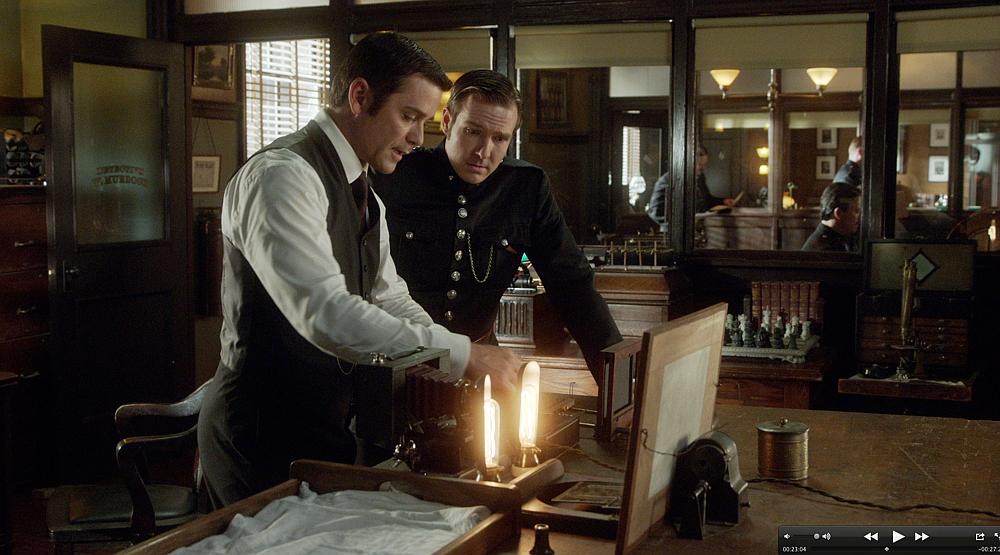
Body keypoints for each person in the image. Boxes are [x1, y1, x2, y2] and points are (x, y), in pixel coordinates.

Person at [198, 34, 522, 508]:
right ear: (359, 96)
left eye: (424, 122)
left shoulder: (366, 191)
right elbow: (325, 312)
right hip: (258, 433)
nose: (418, 138)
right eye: (408, 116)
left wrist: (451, 358)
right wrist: (463, 354)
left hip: (324, 427)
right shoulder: (281, 177)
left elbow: (390, 297)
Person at [372, 70, 622, 376]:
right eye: (472, 131)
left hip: (481, 367)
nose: (483, 152)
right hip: (397, 363)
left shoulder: (526, 187)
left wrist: (618, 380)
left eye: (500, 138)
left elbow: (573, 287)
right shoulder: (395, 175)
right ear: (448, 122)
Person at [646, 143, 734, 229]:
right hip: (674, 232)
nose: (702, 169)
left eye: (704, 165)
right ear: (687, 162)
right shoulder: (667, 181)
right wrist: (685, 219)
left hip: (697, 230)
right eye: (699, 165)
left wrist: (723, 201)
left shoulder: (700, 178)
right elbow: (655, 213)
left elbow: (706, 200)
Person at [801, 182, 861, 251]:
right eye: (856, 210)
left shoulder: (835, 237)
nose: (859, 215)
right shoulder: (826, 249)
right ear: (838, 213)